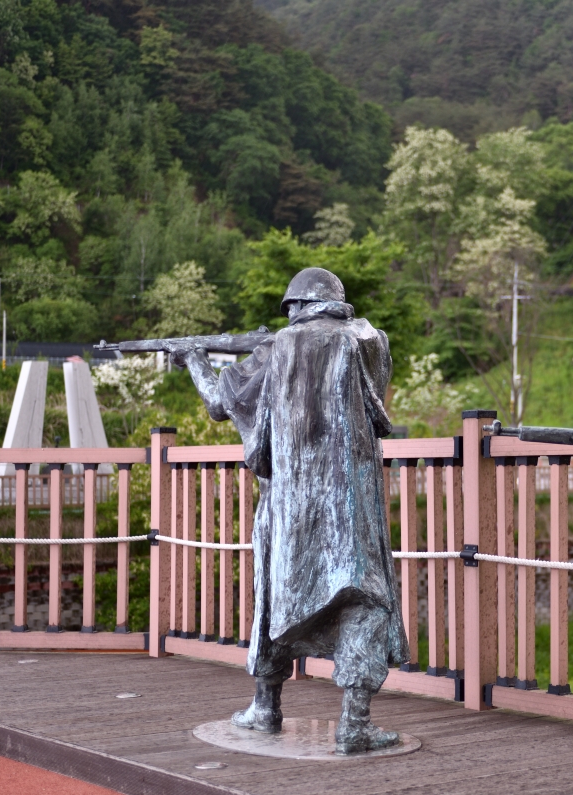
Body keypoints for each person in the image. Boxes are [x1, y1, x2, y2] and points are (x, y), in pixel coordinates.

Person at [175, 267, 409, 755]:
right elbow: (376, 372)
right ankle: (355, 723)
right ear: (336, 303)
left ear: (294, 306)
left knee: (272, 597)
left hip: (285, 507)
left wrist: (195, 361)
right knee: (363, 600)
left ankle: (265, 706)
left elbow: (221, 404)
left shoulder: (276, 350)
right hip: (351, 510)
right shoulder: (366, 340)